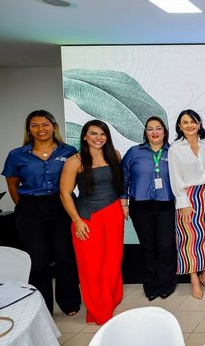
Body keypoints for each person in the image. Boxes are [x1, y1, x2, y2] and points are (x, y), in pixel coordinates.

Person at [2, 110, 81, 315]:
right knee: (38, 261)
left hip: (61, 206)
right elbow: (12, 185)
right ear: (29, 129)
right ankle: (43, 307)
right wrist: (26, 207)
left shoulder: (69, 151)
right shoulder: (17, 155)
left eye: (45, 124)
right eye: (35, 125)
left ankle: (69, 303)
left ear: (54, 126)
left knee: (65, 257)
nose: (40, 129)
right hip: (31, 210)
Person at [59, 120, 126, 325]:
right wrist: (77, 221)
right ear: (85, 136)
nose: (98, 138)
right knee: (91, 267)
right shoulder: (75, 161)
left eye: (102, 133)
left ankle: (109, 302)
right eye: (93, 134)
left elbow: (119, 184)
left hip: (113, 214)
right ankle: (99, 311)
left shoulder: (114, 154)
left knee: (112, 263)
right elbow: (64, 193)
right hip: (88, 219)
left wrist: (123, 207)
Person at [121, 116, 177, 301]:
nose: (154, 132)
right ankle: (151, 285)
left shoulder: (173, 152)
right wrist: (124, 202)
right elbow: (123, 178)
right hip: (141, 205)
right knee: (148, 246)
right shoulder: (134, 152)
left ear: (164, 131)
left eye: (158, 128)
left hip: (166, 205)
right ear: (145, 132)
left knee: (166, 245)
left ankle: (166, 284)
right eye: (150, 129)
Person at [168, 109, 205, 300]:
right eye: (185, 122)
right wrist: (182, 202)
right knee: (189, 240)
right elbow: (175, 177)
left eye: (193, 121)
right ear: (180, 127)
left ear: (199, 123)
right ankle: (194, 280)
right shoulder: (175, 148)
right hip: (188, 197)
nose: (190, 125)